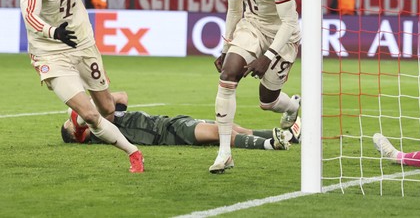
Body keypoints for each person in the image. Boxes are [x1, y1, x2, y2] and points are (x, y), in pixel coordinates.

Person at [19, 0, 162, 173]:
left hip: (84, 46)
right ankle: (134, 154)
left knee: (106, 109)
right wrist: (55, 33)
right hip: (50, 53)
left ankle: (78, 119)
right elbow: (29, 16)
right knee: (92, 115)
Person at [210, 0, 301, 173]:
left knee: (267, 102)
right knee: (227, 75)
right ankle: (224, 153)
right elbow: (234, 10)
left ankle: (293, 107)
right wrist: (226, 47)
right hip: (252, 27)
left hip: (283, 35)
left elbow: (290, 21)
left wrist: (267, 57)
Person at [61, 92, 301, 149]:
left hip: (166, 123)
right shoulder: (100, 129)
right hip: (166, 133)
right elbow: (84, 118)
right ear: (77, 133)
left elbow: (121, 96)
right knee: (220, 133)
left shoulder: (104, 117)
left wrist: (98, 102)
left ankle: (282, 135)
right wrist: (90, 105)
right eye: (70, 123)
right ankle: (271, 144)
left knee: (228, 125)